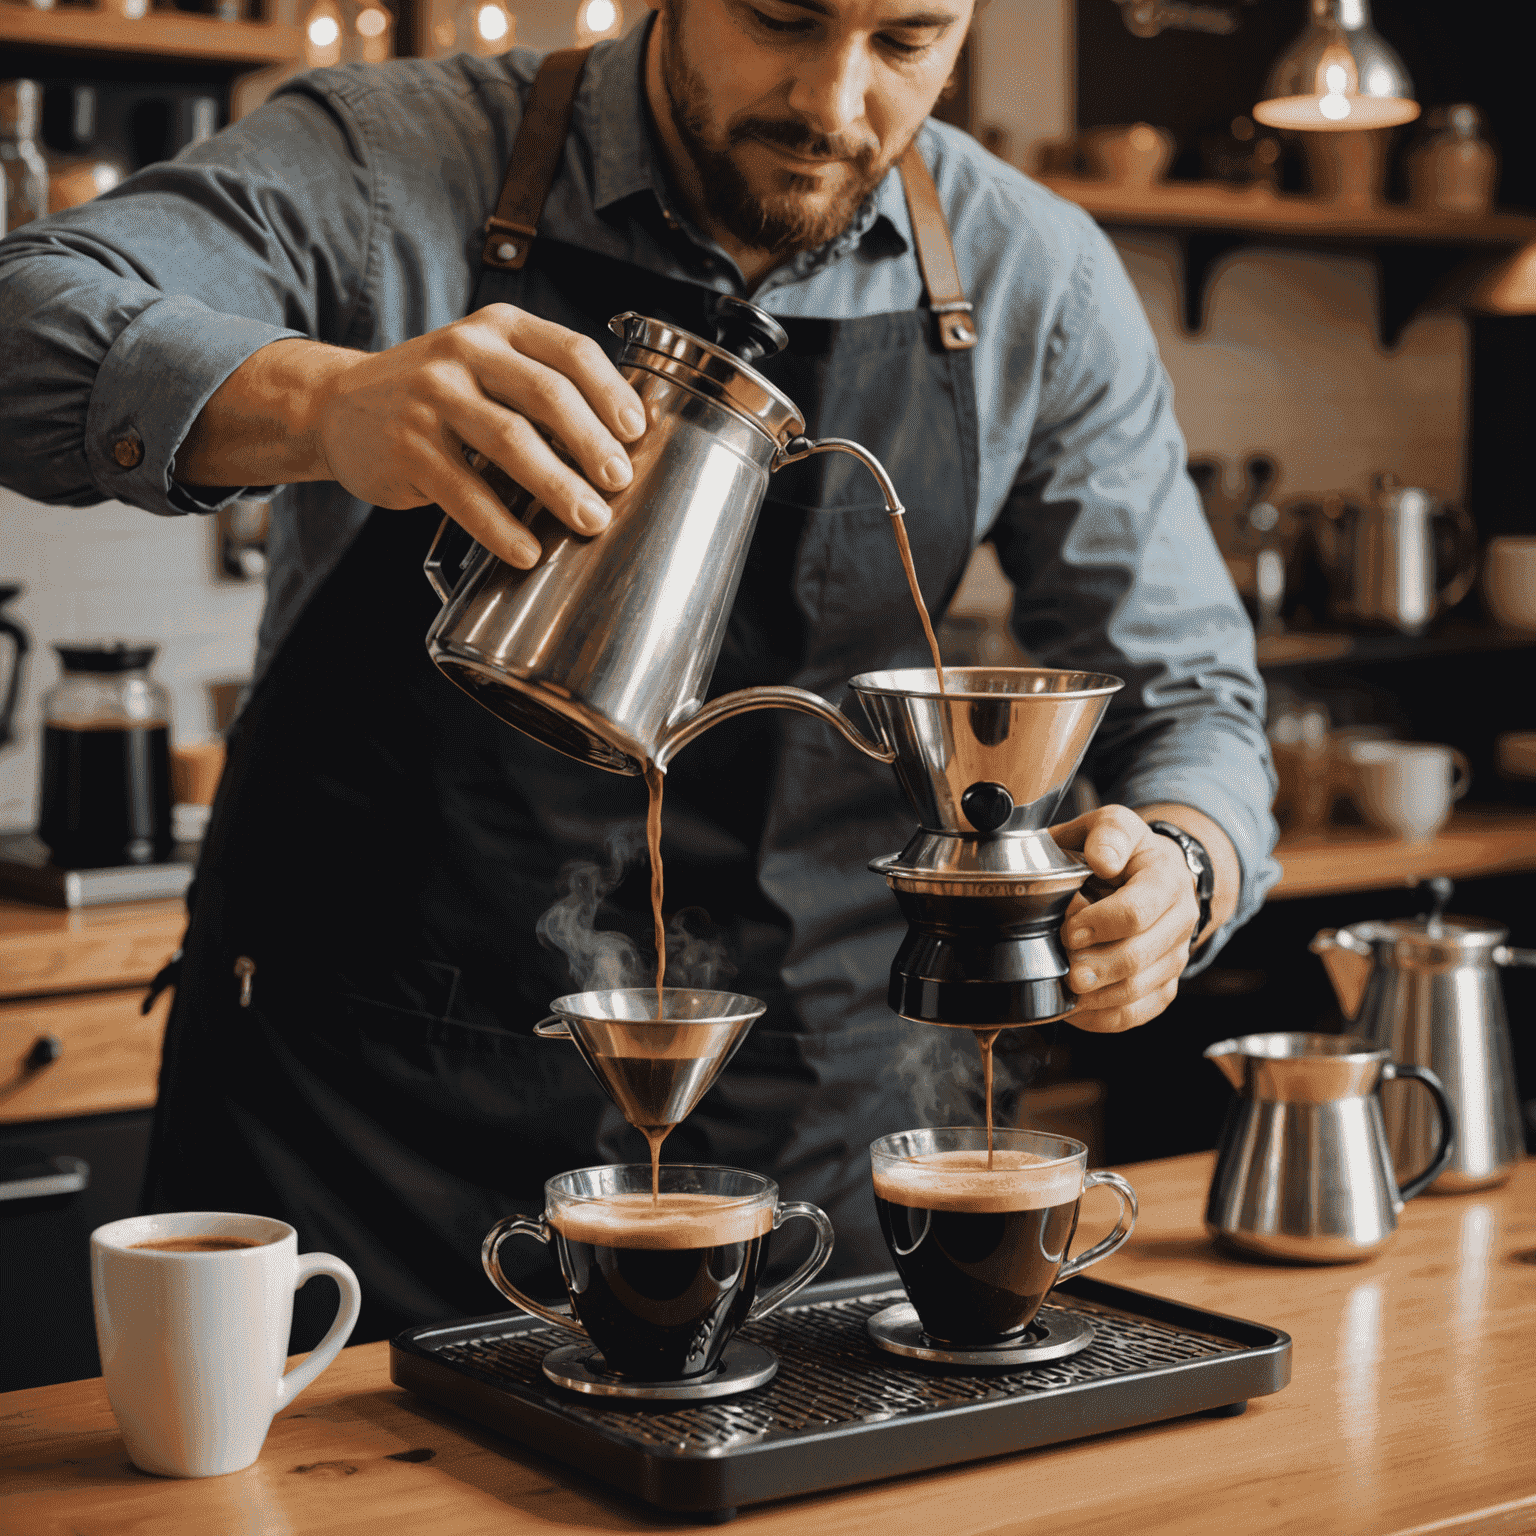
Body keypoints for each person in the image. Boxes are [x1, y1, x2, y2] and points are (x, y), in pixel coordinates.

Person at [0, 0, 1277, 1344]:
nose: (835, 104)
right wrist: (321, 402)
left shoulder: (1036, 277)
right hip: (361, 1119)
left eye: (907, 41)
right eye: (782, 17)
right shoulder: (388, 160)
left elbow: (1192, 698)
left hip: (810, 1138)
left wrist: (1183, 871)